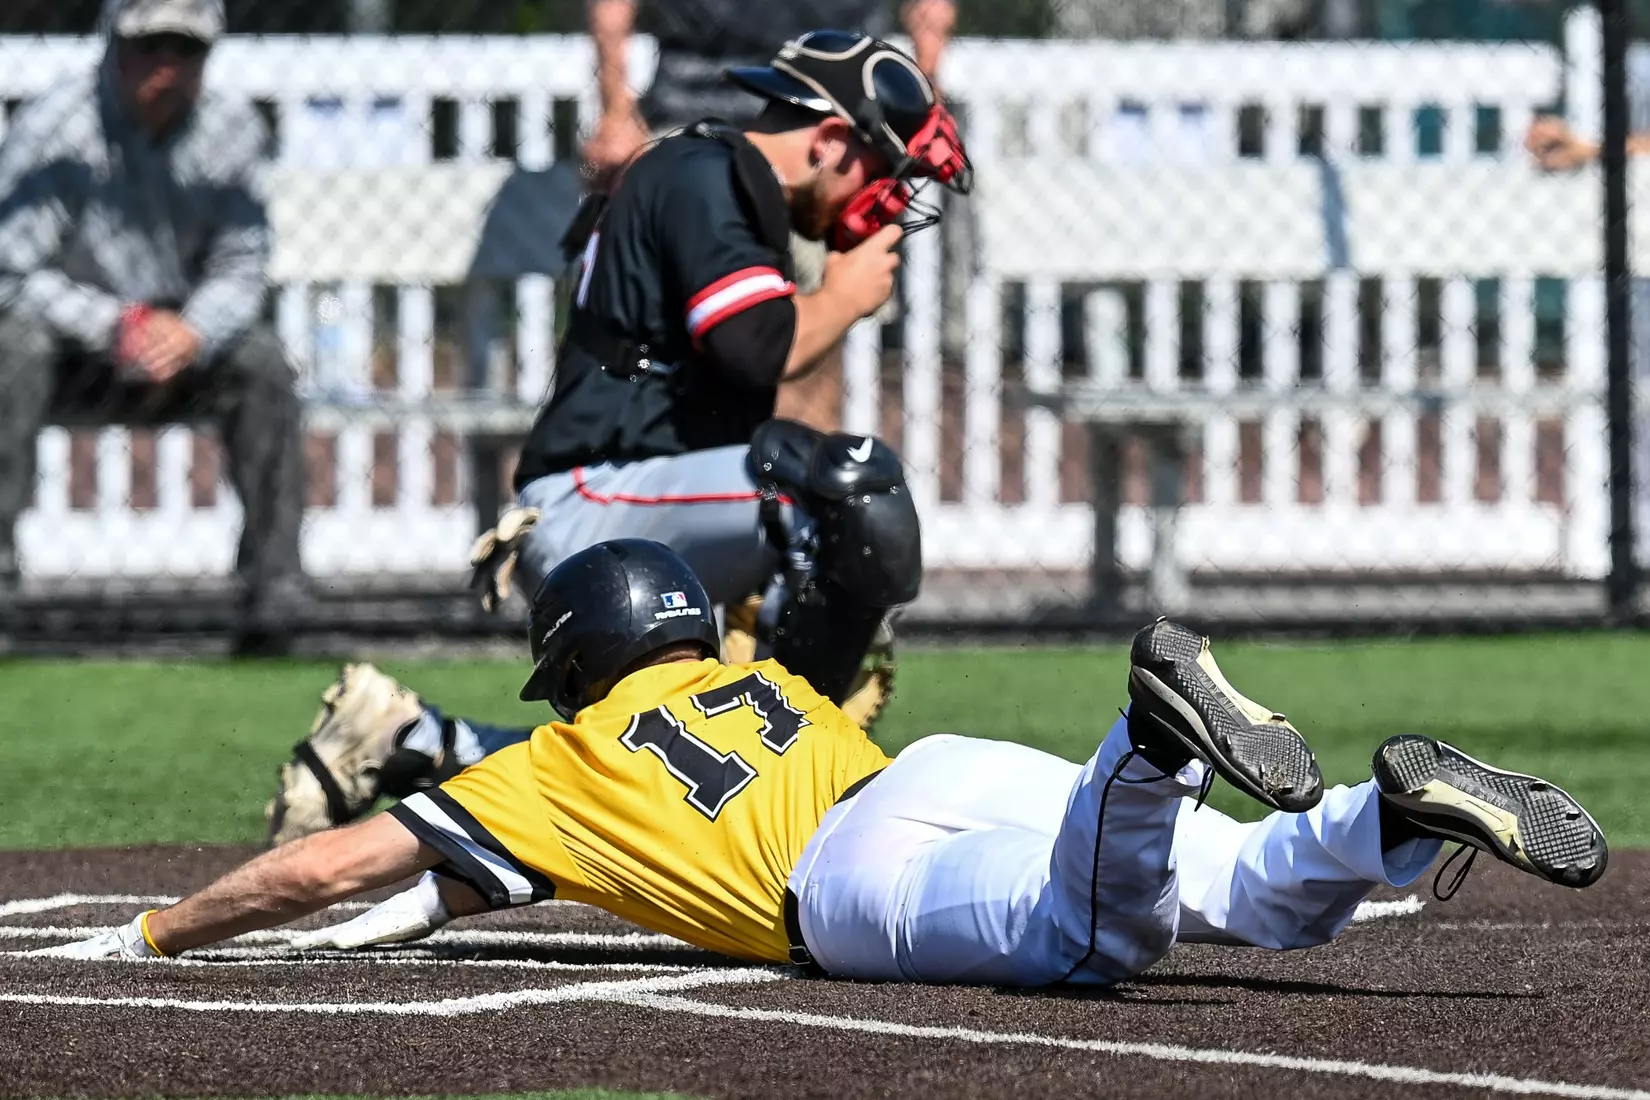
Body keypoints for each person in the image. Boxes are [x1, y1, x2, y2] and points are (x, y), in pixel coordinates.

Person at [46, 539, 1609, 985]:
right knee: (1271, 896)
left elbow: (326, 862)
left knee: (1099, 933)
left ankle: (1150, 742)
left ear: (576, 655)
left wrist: (162, 927)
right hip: (938, 769)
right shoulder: (750, 674)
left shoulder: (558, 753)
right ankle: (1382, 813)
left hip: (849, 881)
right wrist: (449, 904)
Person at [263, 30, 974, 845]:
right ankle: (788, 787)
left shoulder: (718, 182)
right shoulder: (707, 176)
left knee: (653, 771)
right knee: (848, 500)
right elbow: (755, 345)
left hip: (634, 499)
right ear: (829, 140)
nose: (885, 195)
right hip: (591, 502)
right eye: (882, 169)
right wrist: (845, 296)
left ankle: (412, 740)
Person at [0, 0, 307, 655]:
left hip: (183, 342)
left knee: (263, 364)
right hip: (71, 344)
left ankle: (273, 595)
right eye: (149, 46)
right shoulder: (53, 127)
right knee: (10, 346)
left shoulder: (232, 130)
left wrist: (192, 330)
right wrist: (112, 323)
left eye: (186, 50)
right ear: (112, 45)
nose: (166, 67)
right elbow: (12, 272)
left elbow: (242, 265)